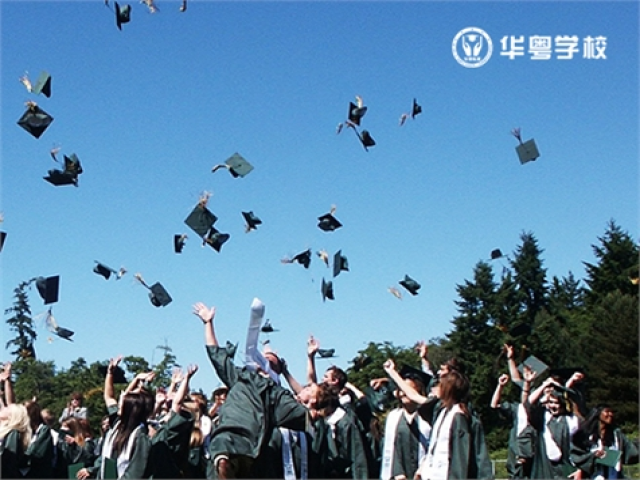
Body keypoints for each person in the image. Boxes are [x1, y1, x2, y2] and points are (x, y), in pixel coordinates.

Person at [193, 299, 336, 479]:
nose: (263, 359)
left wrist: (320, 404)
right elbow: (216, 355)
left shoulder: (278, 395)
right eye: (262, 357)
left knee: (226, 448)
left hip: (247, 446)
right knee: (224, 447)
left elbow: (308, 411)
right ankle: (225, 462)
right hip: (233, 441)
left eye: (270, 359)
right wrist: (208, 323)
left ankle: (226, 461)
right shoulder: (241, 376)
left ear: (276, 369)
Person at [384, 359, 492, 480]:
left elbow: (460, 460)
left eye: (440, 384)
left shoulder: (459, 416)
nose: (434, 388)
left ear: (448, 389)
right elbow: (414, 396)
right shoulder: (441, 411)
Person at [77, 357, 154, 479]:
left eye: (122, 403)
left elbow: (134, 475)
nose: (118, 402)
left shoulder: (140, 437)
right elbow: (108, 396)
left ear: (129, 409)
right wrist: (110, 373)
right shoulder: (117, 423)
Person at [379, 365, 432, 480]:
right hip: (399, 475)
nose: (403, 393)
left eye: (407, 390)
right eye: (401, 390)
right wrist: (398, 472)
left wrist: (423, 470)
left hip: (424, 473)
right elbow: (390, 448)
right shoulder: (393, 416)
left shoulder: (428, 418)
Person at [525, 377, 581, 479]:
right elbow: (529, 403)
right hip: (545, 468)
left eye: (557, 403)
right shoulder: (542, 419)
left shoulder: (572, 421)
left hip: (566, 468)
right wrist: (544, 386)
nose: (553, 406)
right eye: (550, 402)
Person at [572, 404, 639, 479]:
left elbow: (631, 451)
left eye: (611, 412)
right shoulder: (585, 435)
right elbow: (577, 456)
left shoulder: (616, 435)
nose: (610, 414)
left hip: (614, 475)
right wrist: (593, 456)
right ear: (598, 413)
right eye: (607, 411)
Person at [0, 403, 32, 478]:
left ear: (12, 415)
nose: (3, 408)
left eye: (7, 408)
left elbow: (9, 460)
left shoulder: (13, 433)